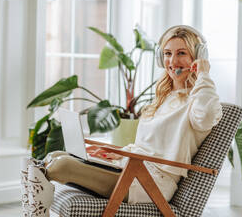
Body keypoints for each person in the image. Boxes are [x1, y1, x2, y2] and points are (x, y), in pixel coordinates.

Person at [21, 25, 223, 216]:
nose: (172, 61)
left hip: (150, 183)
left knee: (60, 166)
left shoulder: (199, 100)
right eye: (167, 54)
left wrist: (203, 74)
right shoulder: (164, 97)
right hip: (132, 169)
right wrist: (113, 154)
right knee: (54, 155)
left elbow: (205, 118)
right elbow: (144, 147)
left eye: (181, 53)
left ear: (197, 56)